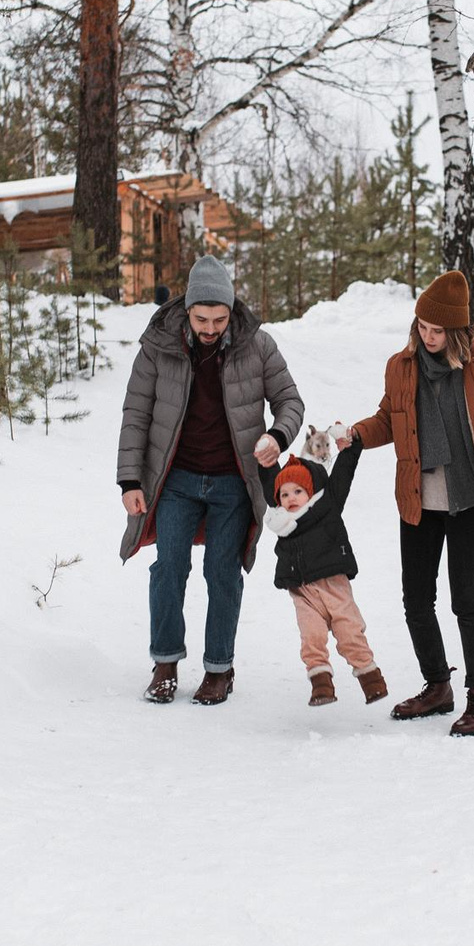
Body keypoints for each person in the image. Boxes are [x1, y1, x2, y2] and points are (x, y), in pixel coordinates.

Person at [341, 270, 474, 737]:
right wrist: (355, 433)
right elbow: (389, 418)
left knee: (466, 599)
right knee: (416, 599)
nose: (428, 338)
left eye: (437, 332)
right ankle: (437, 686)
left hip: (470, 500)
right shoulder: (401, 366)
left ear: (458, 333)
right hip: (419, 498)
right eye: (422, 329)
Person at [116, 254, 304, 706]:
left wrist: (277, 436)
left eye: (220, 318)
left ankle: (219, 668)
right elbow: (136, 414)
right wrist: (129, 481)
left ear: (231, 312)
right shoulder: (158, 346)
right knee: (168, 568)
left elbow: (290, 401)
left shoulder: (258, 345)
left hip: (232, 483)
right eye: (202, 318)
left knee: (222, 572)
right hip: (177, 480)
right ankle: (164, 664)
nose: (211, 327)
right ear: (187, 310)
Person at [262, 441, 388, 708]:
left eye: (298, 491)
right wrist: (267, 464)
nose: (291, 498)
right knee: (311, 637)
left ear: (311, 491)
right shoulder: (282, 522)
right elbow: (268, 481)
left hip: (334, 585)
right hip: (303, 592)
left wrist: (350, 449)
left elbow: (343, 475)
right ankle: (321, 685)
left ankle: (371, 678)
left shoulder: (327, 507)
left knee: (350, 631)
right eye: (284, 495)